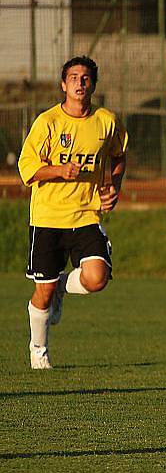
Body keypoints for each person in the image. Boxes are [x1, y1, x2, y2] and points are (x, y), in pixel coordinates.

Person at [18, 55, 128, 369]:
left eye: (85, 78)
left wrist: (114, 186)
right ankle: (38, 350)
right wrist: (57, 170)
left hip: (86, 215)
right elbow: (27, 168)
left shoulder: (106, 121)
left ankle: (61, 286)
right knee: (44, 289)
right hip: (48, 218)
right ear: (63, 84)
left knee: (97, 278)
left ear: (93, 83)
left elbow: (119, 155)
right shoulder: (48, 122)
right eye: (74, 77)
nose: (80, 83)